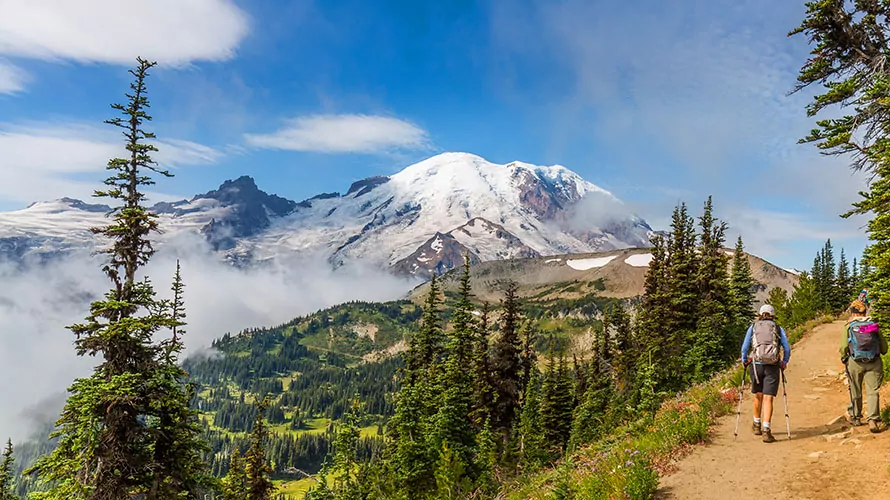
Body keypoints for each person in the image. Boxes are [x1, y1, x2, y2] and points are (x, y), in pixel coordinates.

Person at [741, 304, 791, 443]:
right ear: (773, 315)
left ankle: (756, 424)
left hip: (756, 365)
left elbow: (745, 347)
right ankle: (766, 430)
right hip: (772, 366)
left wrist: (745, 360)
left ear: (760, 314)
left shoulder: (753, 327)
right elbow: (787, 348)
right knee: (768, 399)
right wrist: (784, 362)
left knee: (758, 396)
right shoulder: (778, 328)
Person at [842, 301, 887, 433]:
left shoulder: (849, 326)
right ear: (865, 312)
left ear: (853, 313)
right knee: (873, 391)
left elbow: (843, 346)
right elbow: (884, 347)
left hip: (855, 362)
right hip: (874, 361)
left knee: (855, 389)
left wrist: (844, 358)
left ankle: (855, 417)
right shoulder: (873, 326)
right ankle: (872, 419)